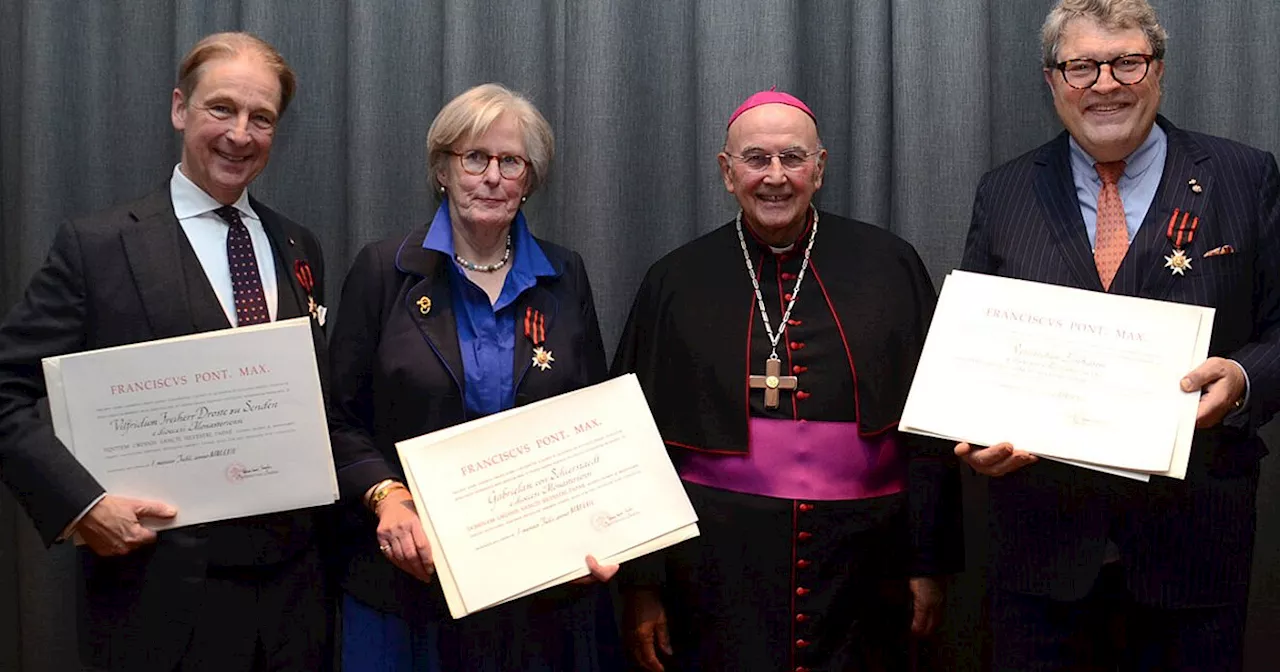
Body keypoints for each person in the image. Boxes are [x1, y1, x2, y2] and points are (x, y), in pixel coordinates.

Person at [958, 1, 1280, 669]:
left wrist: (1245, 379)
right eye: (1081, 66)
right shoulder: (1004, 191)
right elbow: (976, 350)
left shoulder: (1245, 177)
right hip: (1041, 556)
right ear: (1053, 81)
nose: (1104, 84)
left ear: (1157, 71)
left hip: (1193, 549)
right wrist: (976, 431)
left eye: (1126, 62)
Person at [0, 32, 330, 671]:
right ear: (181, 109)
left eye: (261, 118)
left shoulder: (299, 246)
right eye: (221, 109)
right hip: (157, 601)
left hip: (295, 604)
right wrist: (83, 504)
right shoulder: (95, 246)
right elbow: (8, 388)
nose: (240, 134)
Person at [612, 89, 963, 672]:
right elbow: (633, 441)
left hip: (865, 566)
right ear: (727, 172)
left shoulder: (889, 265)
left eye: (793, 159)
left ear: (819, 168)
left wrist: (927, 563)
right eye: (756, 159)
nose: (775, 177)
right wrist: (643, 587)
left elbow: (931, 428)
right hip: (717, 572)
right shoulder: (675, 280)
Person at [327, 83, 623, 672]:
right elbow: (335, 418)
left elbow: (594, 420)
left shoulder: (565, 275)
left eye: (510, 161)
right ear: (443, 169)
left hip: (537, 583)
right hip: (410, 581)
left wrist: (604, 525)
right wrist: (388, 498)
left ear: (529, 179)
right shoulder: (385, 270)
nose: (492, 176)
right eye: (474, 158)